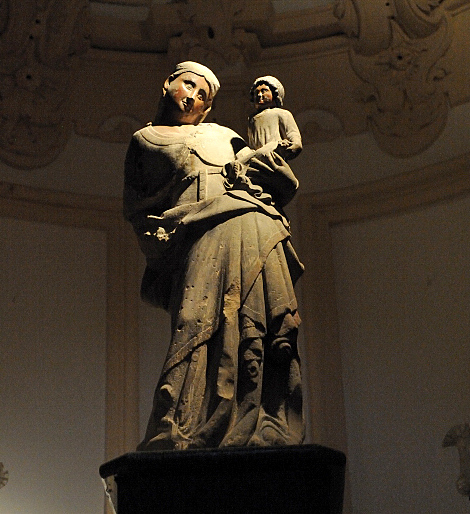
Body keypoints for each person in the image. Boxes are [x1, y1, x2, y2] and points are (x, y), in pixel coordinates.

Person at [124, 61, 304, 450]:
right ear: (168, 81)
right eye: (189, 85)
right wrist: (166, 238)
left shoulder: (224, 135)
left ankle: (266, 423)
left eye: (203, 95)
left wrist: (268, 167)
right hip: (195, 235)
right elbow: (139, 210)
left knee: (259, 326)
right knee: (194, 320)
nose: (193, 96)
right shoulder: (144, 141)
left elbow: (268, 173)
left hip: (252, 224)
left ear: (207, 108)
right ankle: (179, 426)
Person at [248, 76, 302, 161]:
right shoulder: (252, 119)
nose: (259, 95)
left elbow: (292, 134)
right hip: (257, 159)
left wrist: (294, 145)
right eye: (256, 92)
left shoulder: (282, 113)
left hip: (275, 155)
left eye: (264, 91)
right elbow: (252, 143)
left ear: (275, 93)